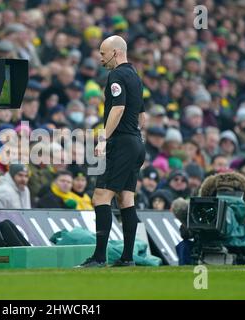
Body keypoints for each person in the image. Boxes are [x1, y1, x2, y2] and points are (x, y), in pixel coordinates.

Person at [78, 35, 146, 268]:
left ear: (116, 52)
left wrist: (103, 138)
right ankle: (127, 258)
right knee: (126, 198)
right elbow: (142, 115)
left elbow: (118, 108)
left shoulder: (116, 75)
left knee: (101, 196)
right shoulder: (135, 77)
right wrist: (137, 142)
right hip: (136, 142)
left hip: (121, 143)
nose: (100, 57)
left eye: (103, 53)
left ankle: (98, 257)